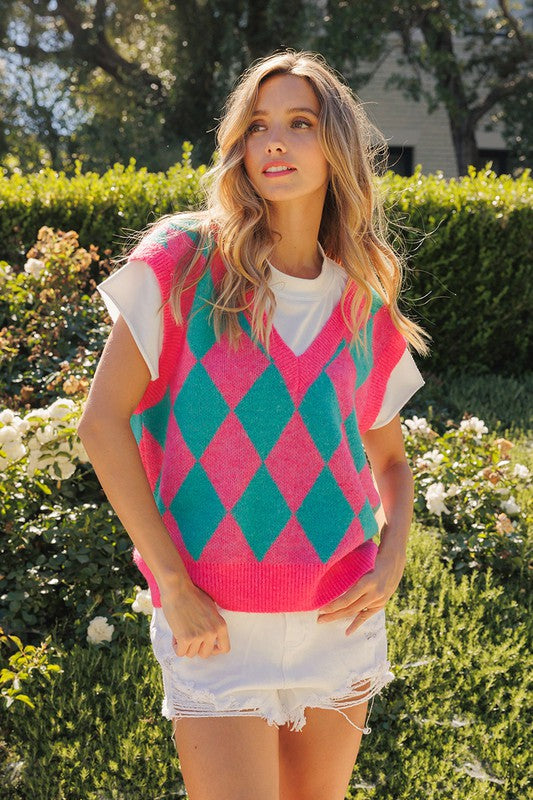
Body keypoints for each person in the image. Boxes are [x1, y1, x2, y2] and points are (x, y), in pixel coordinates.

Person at [78, 49, 431, 800]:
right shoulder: (183, 261)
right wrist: (172, 584)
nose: (274, 141)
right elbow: (101, 425)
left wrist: (391, 557)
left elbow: (390, 462)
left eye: (300, 123)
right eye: (257, 125)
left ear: (336, 145)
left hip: (338, 619)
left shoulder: (361, 296)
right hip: (214, 622)